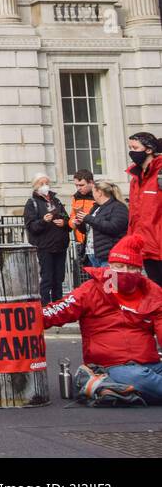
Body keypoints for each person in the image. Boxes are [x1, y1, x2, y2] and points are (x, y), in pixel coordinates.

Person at [43, 235, 162, 404]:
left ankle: (121, 391)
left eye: (131, 268)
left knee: (143, 378)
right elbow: (57, 311)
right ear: (109, 266)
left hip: (150, 363)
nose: (125, 272)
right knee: (137, 378)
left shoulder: (152, 291)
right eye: (119, 266)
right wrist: (27, 316)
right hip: (112, 365)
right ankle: (119, 387)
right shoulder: (91, 290)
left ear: (139, 270)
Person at [24, 172, 71, 304]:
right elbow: (31, 226)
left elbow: (67, 218)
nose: (45, 186)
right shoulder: (32, 203)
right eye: (41, 183)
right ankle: (44, 307)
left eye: (47, 183)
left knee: (59, 278)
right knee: (47, 278)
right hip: (45, 246)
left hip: (60, 245)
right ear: (35, 186)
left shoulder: (56, 200)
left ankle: (58, 306)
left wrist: (65, 223)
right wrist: (43, 221)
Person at [126, 132, 162, 285]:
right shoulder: (135, 180)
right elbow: (134, 216)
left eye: (135, 147)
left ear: (148, 150)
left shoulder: (159, 175)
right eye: (130, 148)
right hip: (145, 246)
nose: (132, 152)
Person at [85, 179, 129, 269]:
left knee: (109, 283)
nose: (92, 194)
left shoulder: (118, 207)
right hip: (94, 254)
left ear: (99, 192)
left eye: (93, 191)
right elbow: (91, 228)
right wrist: (81, 223)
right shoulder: (96, 207)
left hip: (108, 256)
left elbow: (114, 227)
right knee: (99, 283)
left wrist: (89, 219)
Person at [68, 169, 97, 266]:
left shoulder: (98, 195)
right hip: (81, 242)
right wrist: (73, 222)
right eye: (76, 185)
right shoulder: (75, 197)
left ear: (91, 183)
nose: (78, 188)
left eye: (81, 185)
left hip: (95, 241)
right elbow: (72, 217)